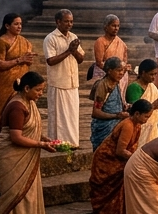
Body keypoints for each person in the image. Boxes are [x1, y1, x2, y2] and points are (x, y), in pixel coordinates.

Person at [0, 71, 51, 214]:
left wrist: (46, 139)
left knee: (29, 199)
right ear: (26, 88)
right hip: (12, 156)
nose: (41, 93)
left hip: (25, 155)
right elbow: (16, 137)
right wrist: (41, 144)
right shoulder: (17, 106)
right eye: (38, 90)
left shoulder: (28, 103)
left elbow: (29, 130)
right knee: (16, 200)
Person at [89, 99, 152, 214]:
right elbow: (120, 151)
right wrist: (139, 159)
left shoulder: (137, 125)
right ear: (136, 114)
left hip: (120, 161)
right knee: (107, 197)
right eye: (146, 116)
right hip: (108, 162)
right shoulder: (128, 125)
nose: (147, 120)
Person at [44, 9, 85, 147]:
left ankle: (72, 143)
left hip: (72, 83)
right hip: (58, 83)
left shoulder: (74, 36)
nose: (69, 24)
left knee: (72, 116)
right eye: (66, 21)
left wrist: (73, 51)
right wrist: (68, 51)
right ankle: (58, 143)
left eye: (71, 21)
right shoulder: (51, 38)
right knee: (59, 117)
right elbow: (50, 60)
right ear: (58, 22)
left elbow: (81, 59)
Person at [0, 13, 35, 113]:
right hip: (5, 83)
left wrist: (28, 60)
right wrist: (20, 60)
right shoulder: (1, 42)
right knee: (3, 110)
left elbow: (28, 62)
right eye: (16, 24)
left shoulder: (25, 42)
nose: (19, 26)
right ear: (7, 26)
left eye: (20, 24)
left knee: (19, 110)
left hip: (22, 82)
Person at [89, 56, 129, 150]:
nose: (122, 73)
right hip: (104, 128)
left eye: (123, 71)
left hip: (115, 127)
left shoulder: (116, 83)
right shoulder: (103, 85)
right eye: (119, 70)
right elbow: (96, 112)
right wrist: (116, 116)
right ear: (109, 71)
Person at [125, 59, 158, 145]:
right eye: (151, 74)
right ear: (143, 73)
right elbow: (135, 110)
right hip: (139, 127)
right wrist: (154, 105)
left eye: (155, 74)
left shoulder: (152, 87)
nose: (154, 77)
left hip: (152, 126)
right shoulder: (134, 87)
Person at [90, 14, 129, 83]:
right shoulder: (100, 42)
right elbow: (99, 63)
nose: (116, 28)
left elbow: (124, 62)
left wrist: (124, 68)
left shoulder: (122, 44)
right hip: (104, 75)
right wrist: (112, 73)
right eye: (113, 26)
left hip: (119, 76)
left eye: (118, 26)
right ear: (106, 27)